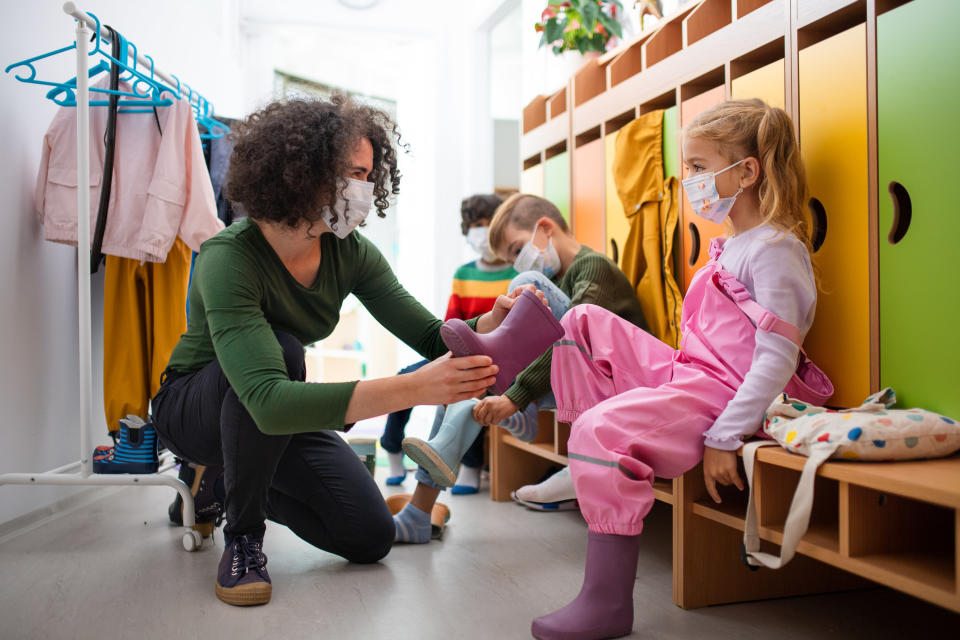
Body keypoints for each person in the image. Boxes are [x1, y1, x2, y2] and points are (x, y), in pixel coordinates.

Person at [151, 95, 536, 607]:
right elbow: (264, 397)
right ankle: (243, 537)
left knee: (369, 537)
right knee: (284, 352)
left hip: (271, 417)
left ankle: (220, 485)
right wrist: (414, 388)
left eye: (369, 175)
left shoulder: (349, 251)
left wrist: (488, 323)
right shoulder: (229, 257)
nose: (364, 190)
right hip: (196, 407)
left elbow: (429, 335)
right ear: (299, 172)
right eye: (352, 173)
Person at [530, 99, 820, 640]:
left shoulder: (777, 250)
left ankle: (607, 602)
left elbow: (777, 357)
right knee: (585, 319)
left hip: (725, 399)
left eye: (698, 167)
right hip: (691, 376)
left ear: (748, 171)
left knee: (600, 429)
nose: (688, 181)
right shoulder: (733, 244)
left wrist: (724, 436)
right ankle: (588, 461)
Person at [393, 194, 648, 541]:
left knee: (525, 287)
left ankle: (518, 402)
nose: (517, 261)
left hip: (614, 381)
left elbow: (579, 337)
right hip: (574, 380)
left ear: (545, 228)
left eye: (516, 250)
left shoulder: (593, 266)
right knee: (470, 374)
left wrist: (516, 395)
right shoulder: (560, 281)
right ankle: (419, 512)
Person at [379, 194, 516, 494]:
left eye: (487, 224)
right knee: (407, 376)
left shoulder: (516, 273)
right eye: (475, 225)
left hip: (497, 360)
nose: (481, 231)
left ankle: (470, 465)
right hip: (461, 350)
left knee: (472, 392)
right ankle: (391, 449)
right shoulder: (463, 274)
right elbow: (451, 324)